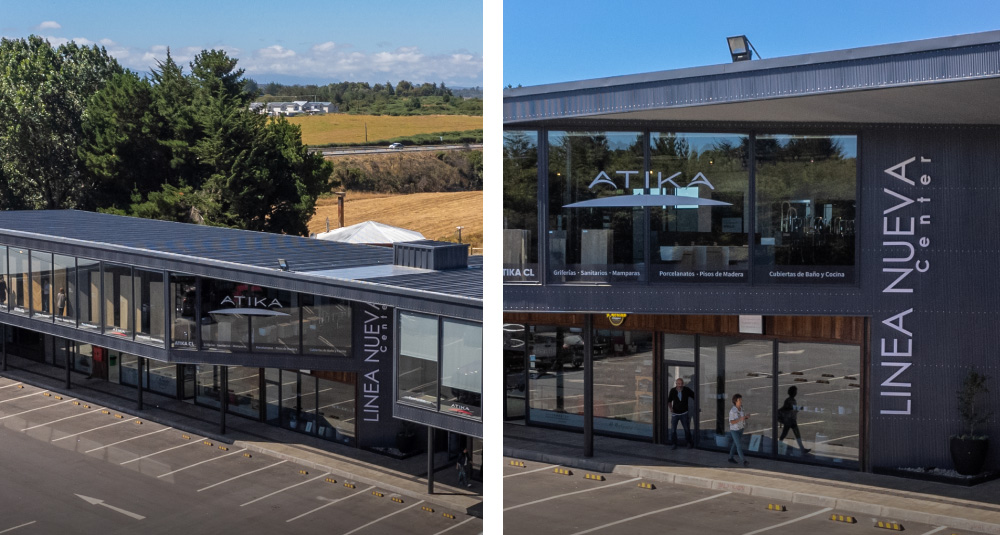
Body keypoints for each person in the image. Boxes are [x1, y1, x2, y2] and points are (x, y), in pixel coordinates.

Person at [778, 386, 811, 454]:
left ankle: (802, 448)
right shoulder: (789, 400)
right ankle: (778, 445)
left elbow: (792, 409)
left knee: (793, 434)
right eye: (795, 391)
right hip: (789, 420)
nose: (796, 393)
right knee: (787, 433)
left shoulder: (791, 400)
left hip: (791, 420)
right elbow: (790, 409)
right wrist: (799, 408)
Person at [667, 378, 695, 449]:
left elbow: (695, 396)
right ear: (676, 384)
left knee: (686, 429)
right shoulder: (673, 391)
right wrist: (671, 408)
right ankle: (674, 444)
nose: (679, 385)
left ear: (683, 384)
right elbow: (669, 401)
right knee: (673, 430)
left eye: (681, 384)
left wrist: (696, 406)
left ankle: (689, 443)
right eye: (678, 384)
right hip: (675, 414)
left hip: (684, 413)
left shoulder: (686, 390)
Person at [728, 393, 750, 466]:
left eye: (741, 400)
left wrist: (746, 417)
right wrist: (740, 419)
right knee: (739, 445)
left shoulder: (741, 408)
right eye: (739, 400)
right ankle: (744, 461)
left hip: (741, 428)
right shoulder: (732, 411)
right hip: (734, 430)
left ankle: (730, 457)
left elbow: (742, 417)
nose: (741, 401)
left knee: (735, 444)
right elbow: (732, 421)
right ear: (735, 401)